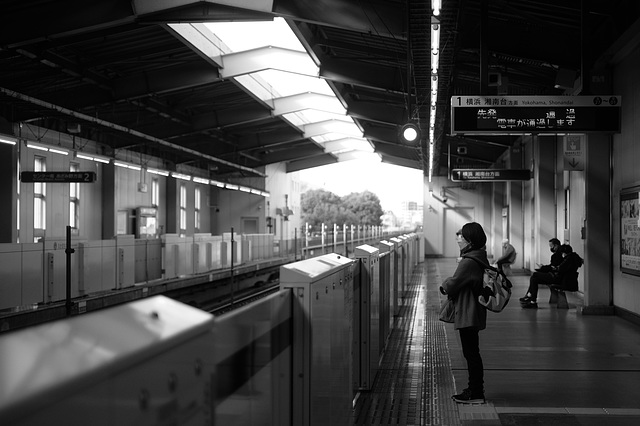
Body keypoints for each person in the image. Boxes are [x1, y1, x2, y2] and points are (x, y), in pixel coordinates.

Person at [440, 222, 489, 404]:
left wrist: (444, 285)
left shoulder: (468, 261)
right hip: (474, 309)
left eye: (461, 236)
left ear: (469, 240)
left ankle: (476, 393)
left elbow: (453, 283)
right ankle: (475, 390)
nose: (458, 239)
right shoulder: (478, 256)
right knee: (472, 352)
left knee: (471, 353)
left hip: (468, 311)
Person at [520, 244, 584, 309]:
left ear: (564, 252)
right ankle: (532, 300)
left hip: (559, 279)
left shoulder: (569, 259)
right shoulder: (573, 258)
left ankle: (531, 298)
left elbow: (561, 269)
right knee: (534, 279)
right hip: (562, 279)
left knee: (535, 275)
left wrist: (554, 268)